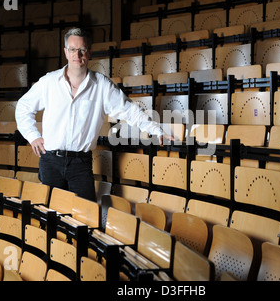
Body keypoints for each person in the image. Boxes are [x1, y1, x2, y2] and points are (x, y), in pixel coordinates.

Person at [16, 27, 172, 202]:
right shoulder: (49, 82)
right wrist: (32, 136)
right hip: (50, 160)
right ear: (66, 52)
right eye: (73, 49)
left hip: (80, 164)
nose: (77, 54)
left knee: (85, 218)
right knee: (50, 216)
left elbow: (129, 110)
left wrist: (155, 129)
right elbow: (23, 107)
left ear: (89, 53)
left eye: (82, 50)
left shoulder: (102, 85)